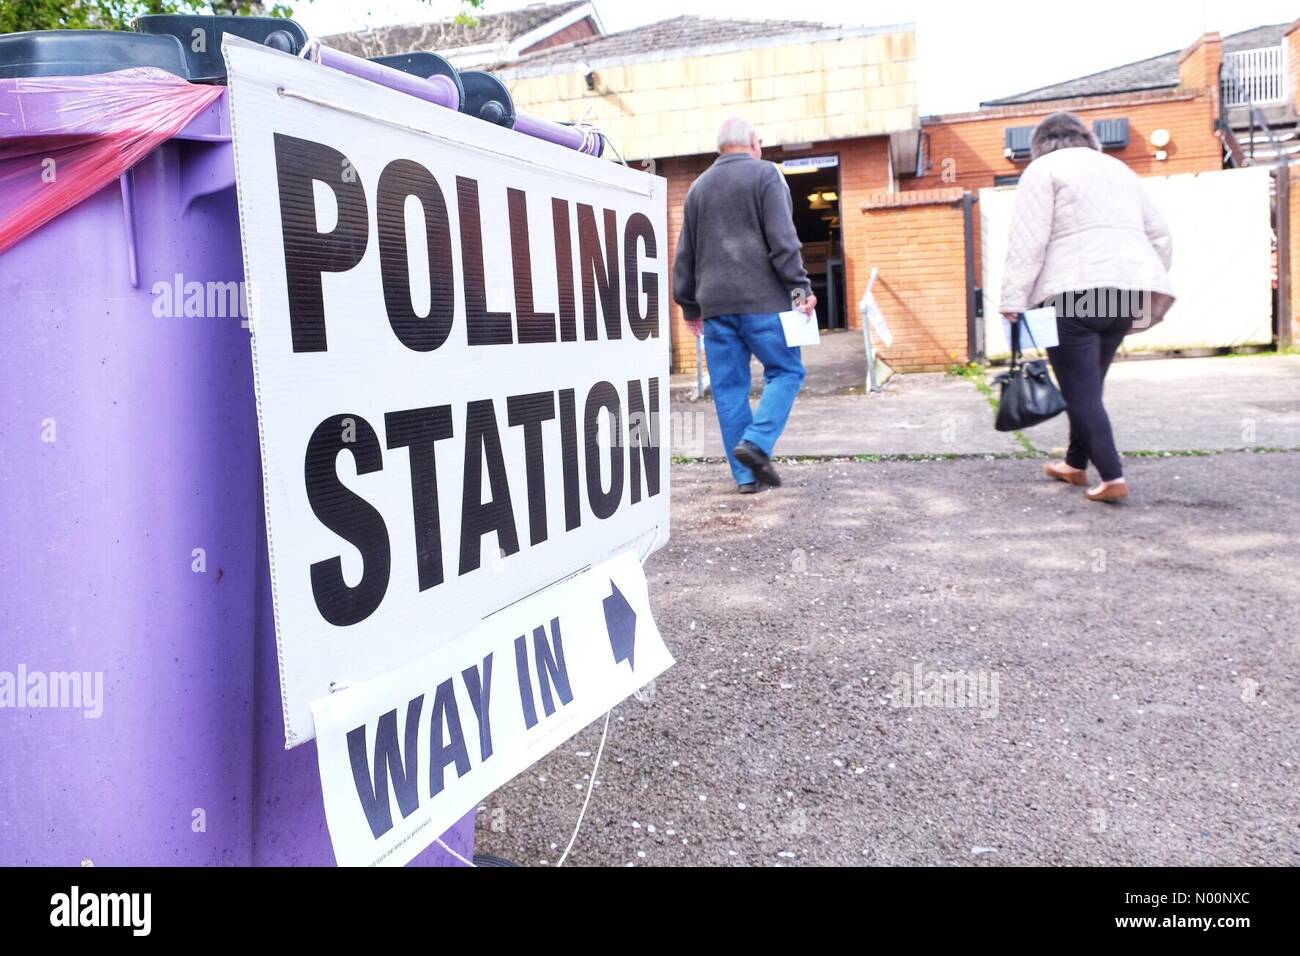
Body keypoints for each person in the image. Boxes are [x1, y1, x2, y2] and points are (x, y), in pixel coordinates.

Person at [1000, 111, 1174, 503]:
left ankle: (1112, 476)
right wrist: (1144, 277)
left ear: (1039, 145)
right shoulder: (1120, 170)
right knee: (1089, 387)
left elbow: (1029, 242)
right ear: (1087, 140)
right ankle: (1074, 465)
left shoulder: (1042, 170)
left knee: (1081, 392)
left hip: (1072, 295)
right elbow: (1160, 236)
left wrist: (1013, 299)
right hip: (1124, 294)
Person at [673, 116, 816, 494]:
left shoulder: (698, 187)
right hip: (764, 303)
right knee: (787, 371)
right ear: (752, 142)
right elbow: (783, 240)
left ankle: (746, 478)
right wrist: (800, 290)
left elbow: (685, 253)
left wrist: (689, 306)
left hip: (716, 309)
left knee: (730, 389)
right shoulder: (766, 175)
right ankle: (756, 444)